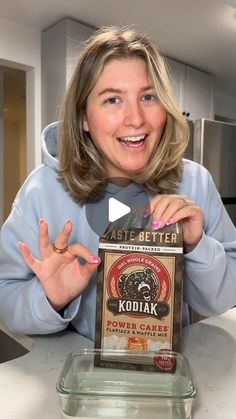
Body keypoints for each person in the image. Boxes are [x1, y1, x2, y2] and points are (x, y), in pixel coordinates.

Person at [0, 26, 235, 340]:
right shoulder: (42, 190)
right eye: (113, 100)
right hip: (77, 377)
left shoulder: (196, 183)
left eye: (148, 96)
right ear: (84, 117)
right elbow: (5, 298)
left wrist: (196, 245)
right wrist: (50, 299)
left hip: (169, 377)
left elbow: (226, 299)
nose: (136, 119)